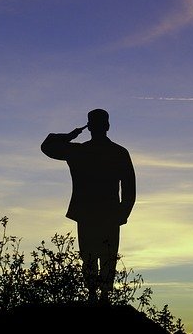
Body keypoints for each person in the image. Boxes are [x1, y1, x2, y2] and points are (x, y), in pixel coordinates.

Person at [40, 108, 136, 304]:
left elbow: (48, 146)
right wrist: (122, 213)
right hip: (107, 213)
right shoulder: (117, 152)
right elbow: (129, 189)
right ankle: (101, 295)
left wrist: (69, 135)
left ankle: (96, 294)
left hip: (91, 213)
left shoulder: (79, 151)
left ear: (90, 126)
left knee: (91, 255)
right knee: (105, 255)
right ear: (107, 126)